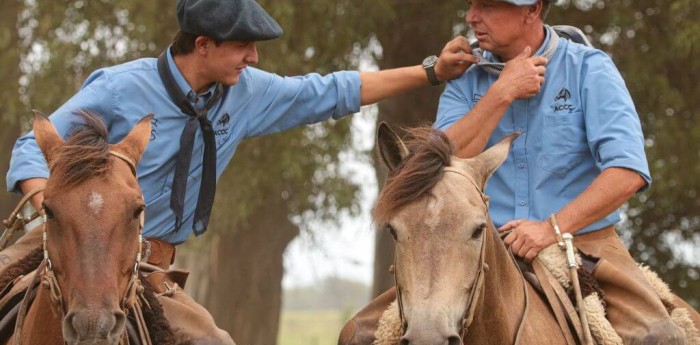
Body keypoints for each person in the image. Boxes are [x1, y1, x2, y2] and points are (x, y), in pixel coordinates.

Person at [2, 0, 476, 343]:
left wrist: (431, 72)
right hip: (70, 243)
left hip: (146, 266)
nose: (254, 58)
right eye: (244, 47)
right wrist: (60, 211)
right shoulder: (121, 86)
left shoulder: (246, 93)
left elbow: (329, 91)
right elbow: (32, 146)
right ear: (203, 45)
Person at [339, 0, 687, 344]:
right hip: (478, 246)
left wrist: (552, 228)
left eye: (488, 6)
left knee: (660, 336)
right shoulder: (464, 80)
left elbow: (627, 171)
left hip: (584, 246)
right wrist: (502, 92)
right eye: (472, 5)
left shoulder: (590, 69)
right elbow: (435, 164)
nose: (472, 16)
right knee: (358, 336)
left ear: (532, 10)